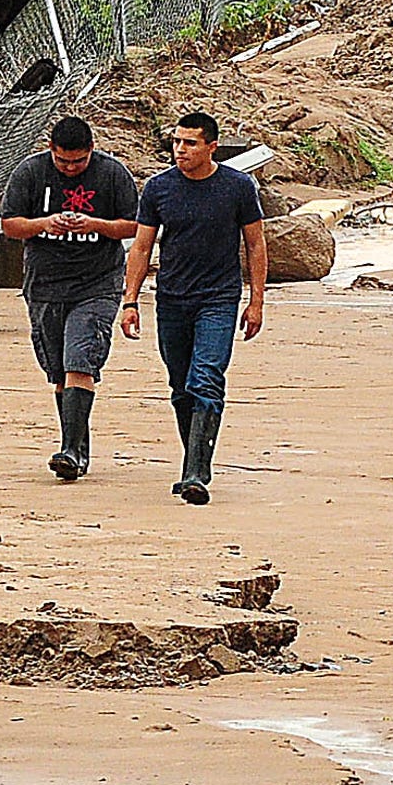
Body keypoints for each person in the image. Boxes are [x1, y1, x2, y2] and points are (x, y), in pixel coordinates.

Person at [116, 112, 266, 506]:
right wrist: (130, 301)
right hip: (172, 300)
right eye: (177, 142)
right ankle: (192, 463)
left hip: (219, 298)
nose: (180, 150)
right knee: (181, 386)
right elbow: (142, 247)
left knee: (206, 378)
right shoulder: (159, 188)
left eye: (190, 143)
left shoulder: (237, 187)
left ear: (212, 147)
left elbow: (255, 244)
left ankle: (197, 473)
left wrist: (256, 301)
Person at [0, 115, 140, 482]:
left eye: (78, 161)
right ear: (51, 150)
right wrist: (44, 223)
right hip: (45, 284)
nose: (71, 168)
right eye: (63, 161)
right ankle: (76, 450)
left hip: (97, 283)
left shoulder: (112, 174)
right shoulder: (30, 172)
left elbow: (134, 225)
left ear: (91, 150)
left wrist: (96, 225)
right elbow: (11, 224)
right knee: (60, 370)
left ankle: (71, 450)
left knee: (81, 358)